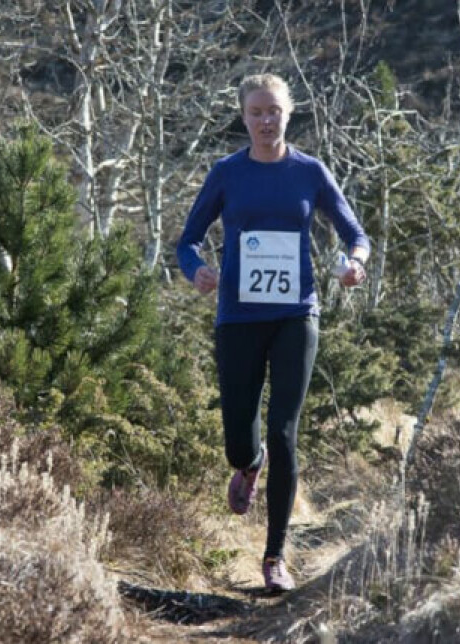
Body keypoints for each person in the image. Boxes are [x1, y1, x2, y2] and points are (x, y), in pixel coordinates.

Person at [176, 73, 370, 593]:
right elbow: (187, 241)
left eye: (274, 111)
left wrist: (354, 262)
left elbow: (356, 233)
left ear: (289, 113)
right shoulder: (226, 173)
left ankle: (274, 555)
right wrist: (196, 271)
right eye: (256, 112)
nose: (266, 121)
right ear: (243, 117)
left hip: (295, 315)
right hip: (237, 316)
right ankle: (248, 463)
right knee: (241, 438)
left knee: (285, 429)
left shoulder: (310, 172)